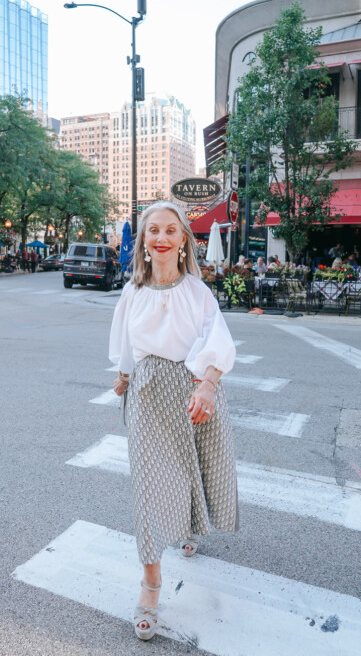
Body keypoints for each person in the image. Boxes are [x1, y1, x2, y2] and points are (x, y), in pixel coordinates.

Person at [109, 200, 238, 642]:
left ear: (184, 240)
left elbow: (218, 342)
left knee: (189, 470)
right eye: (153, 231)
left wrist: (206, 386)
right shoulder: (132, 293)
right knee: (148, 485)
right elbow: (126, 346)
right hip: (146, 394)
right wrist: (123, 377)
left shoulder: (198, 294)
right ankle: (150, 584)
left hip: (190, 390)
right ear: (143, 242)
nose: (161, 238)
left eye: (170, 231)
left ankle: (186, 528)